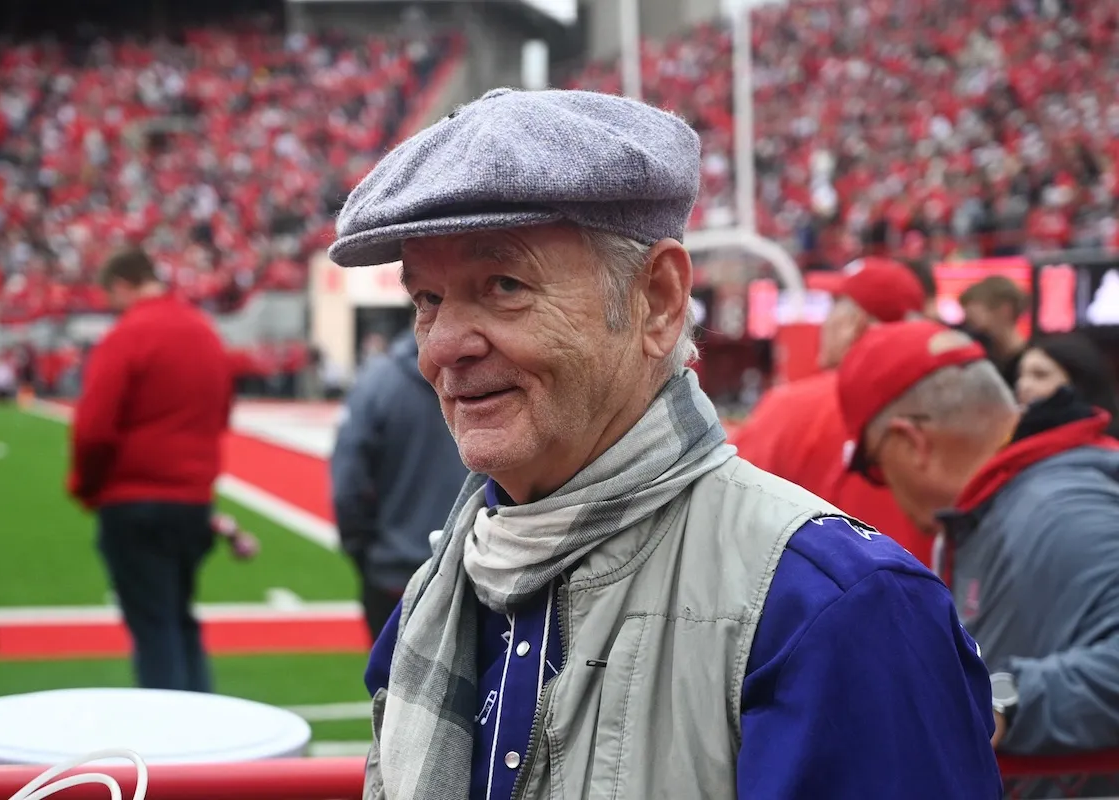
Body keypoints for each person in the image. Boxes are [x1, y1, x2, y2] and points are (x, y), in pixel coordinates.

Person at [330, 88, 1001, 800]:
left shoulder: (838, 610)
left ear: (658, 299)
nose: (444, 346)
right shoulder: (442, 591)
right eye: (427, 299)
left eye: (503, 284)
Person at [838, 319, 1119, 761]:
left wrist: (1002, 699)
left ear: (913, 443)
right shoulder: (1009, 500)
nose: (884, 485)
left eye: (875, 466)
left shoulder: (1058, 509)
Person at [68, 246, 233, 693]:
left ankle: (170, 745)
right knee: (178, 618)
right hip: (194, 500)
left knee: (155, 628)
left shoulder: (127, 335)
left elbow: (94, 428)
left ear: (122, 285)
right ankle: (204, 730)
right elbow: (221, 413)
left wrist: (86, 487)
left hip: (135, 500)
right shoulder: (204, 331)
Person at [731, 257, 929, 556]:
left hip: (815, 595)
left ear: (854, 324)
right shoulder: (942, 402)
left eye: (834, 306)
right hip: (927, 594)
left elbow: (730, 511)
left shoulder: (791, 406)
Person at [332, 328, 468, 641]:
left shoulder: (377, 383)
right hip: (468, 567)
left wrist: (361, 548)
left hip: (392, 571)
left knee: (391, 685)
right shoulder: (489, 374)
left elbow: (348, 486)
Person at [1016, 332, 1119, 436]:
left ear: (1079, 383)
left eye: (1040, 375)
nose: (1023, 385)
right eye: (1020, 375)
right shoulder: (1008, 436)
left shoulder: (1107, 446)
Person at [959, 275, 1029, 387]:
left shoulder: (1029, 361)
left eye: (973, 318)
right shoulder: (982, 356)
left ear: (1005, 310)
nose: (971, 327)